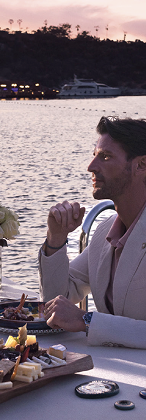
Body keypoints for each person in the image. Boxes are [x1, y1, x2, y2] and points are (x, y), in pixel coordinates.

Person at [39, 115, 146, 348]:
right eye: (94, 155)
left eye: (105, 157)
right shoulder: (105, 231)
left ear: (141, 165)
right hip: (113, 365)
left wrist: (86, 320)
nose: (91, 167)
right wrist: (56, 239)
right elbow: (56, 301)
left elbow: (77, 318)